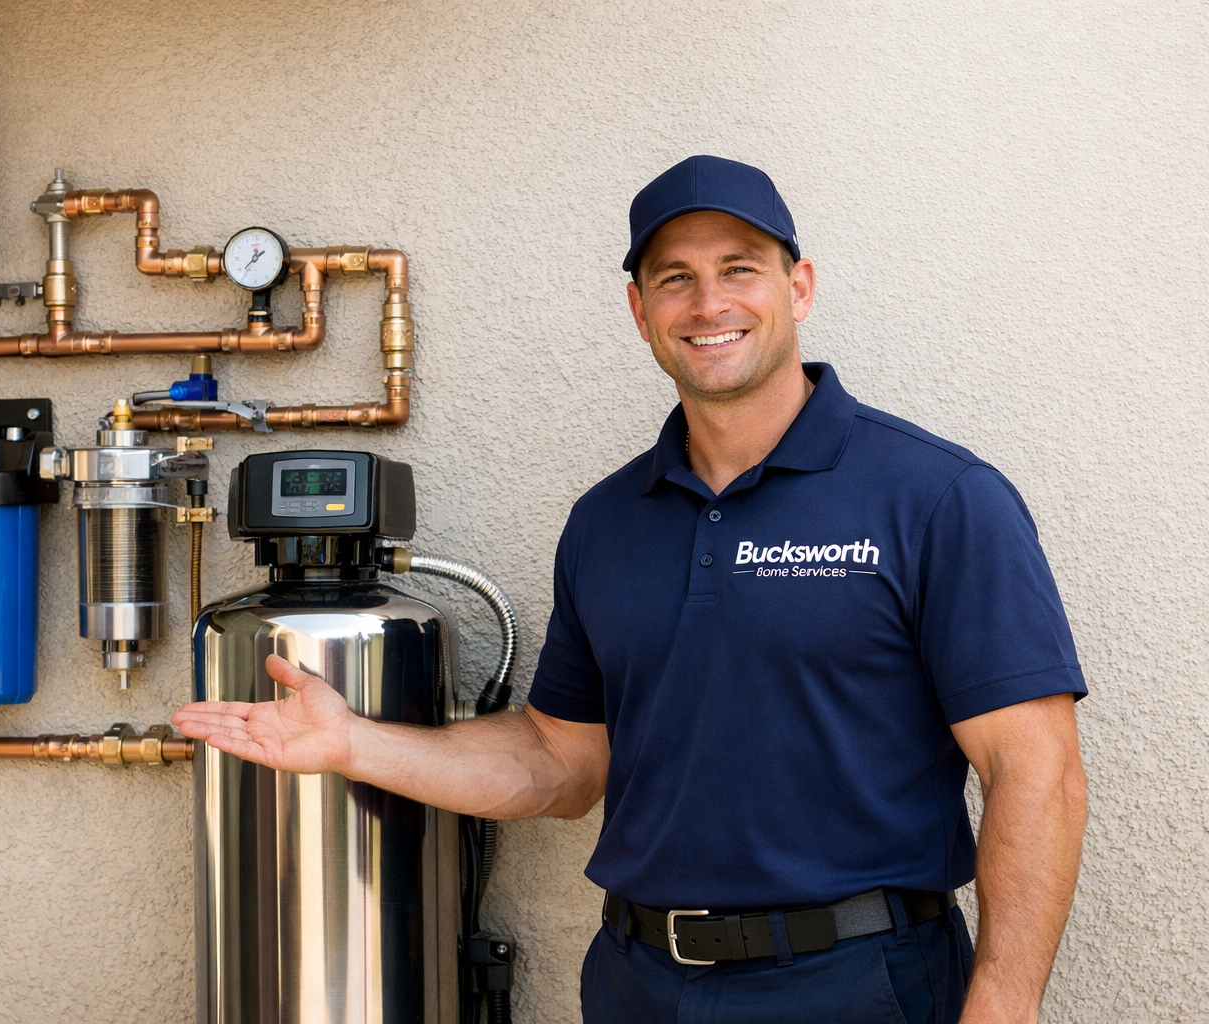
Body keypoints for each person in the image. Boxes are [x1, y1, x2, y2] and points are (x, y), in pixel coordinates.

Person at [174, 155, 1088, 1024]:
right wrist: (355, 744)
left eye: (740, 268)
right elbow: (560, 763)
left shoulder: (937, 498)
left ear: (799, 288)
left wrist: (1002, 1006)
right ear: (640, 311)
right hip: (640, 983)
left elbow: (1035, 771)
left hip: (858, 982)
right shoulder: (607, 522)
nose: (709, 303)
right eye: (675, 278)